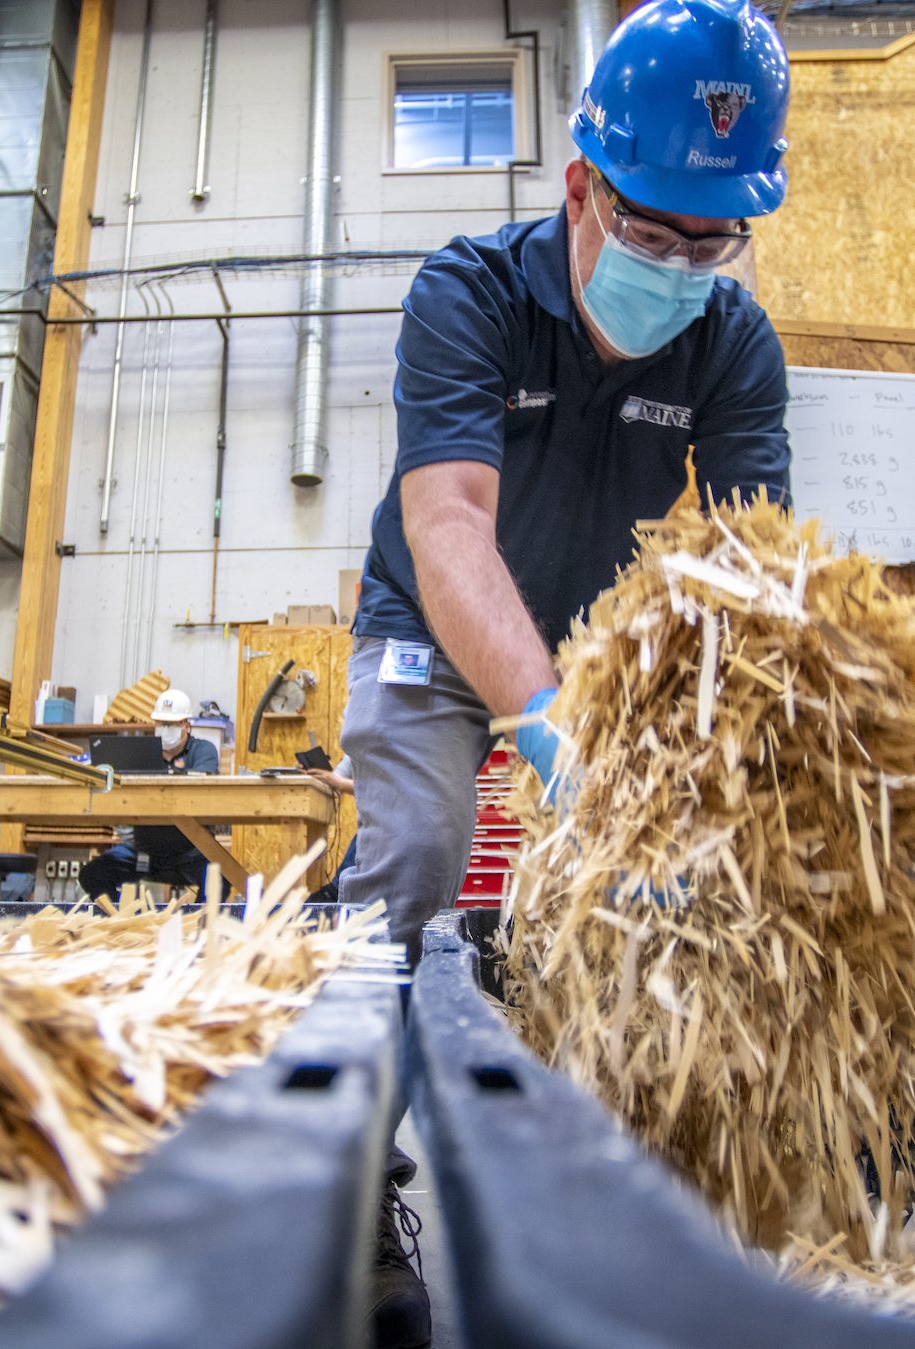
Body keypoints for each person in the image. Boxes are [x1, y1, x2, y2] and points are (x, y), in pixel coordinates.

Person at [340, 1, 793, 1343]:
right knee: (419, 854)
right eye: (653, 236)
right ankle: (359, 1192)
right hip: (432, 626)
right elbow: (447, 529)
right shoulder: (469, 290)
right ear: (580, 187)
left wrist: (701, 770)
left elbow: (753, 578)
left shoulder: (731, 341)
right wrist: (541, 730)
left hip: (603, 656)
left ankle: (605, 1172)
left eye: (711, 242)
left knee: (630, 903)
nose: (680, 267)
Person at [80, 688, 226, 904]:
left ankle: (198, 929)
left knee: (220, 878)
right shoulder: (139, 754)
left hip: (190, 850)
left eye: (171, 724)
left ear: (186, 725)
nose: (164, 729)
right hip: (145, 851)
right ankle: (121, 922)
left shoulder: (203, 751)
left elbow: (199, 791)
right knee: (93, 874)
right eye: (160, 724)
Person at [306, 756, 358, 903]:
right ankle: (333, 892)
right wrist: (312, 772)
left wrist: (340, 783)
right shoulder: (357, 744)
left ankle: (333, 891)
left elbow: (387, 791)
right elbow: (338, 776)